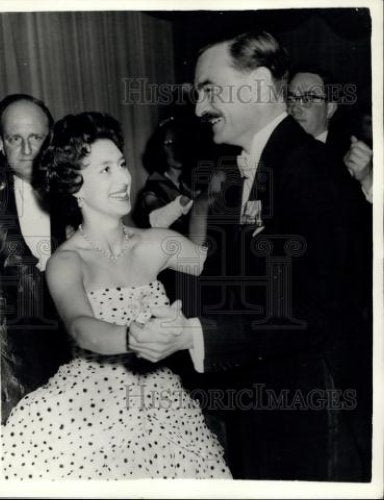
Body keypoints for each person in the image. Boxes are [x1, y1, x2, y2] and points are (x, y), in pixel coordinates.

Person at [128, 32, 372, 481]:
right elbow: (237, 286)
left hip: (317, 415)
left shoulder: (311, 171)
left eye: (209, 90)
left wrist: (195, 335)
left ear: (258, 83)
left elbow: (318, 310)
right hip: (271, 407)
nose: (200, 109)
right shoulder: (248, 173)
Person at [1, 111, 232, 480]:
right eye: (105, 169)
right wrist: (131, 335)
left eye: (122, 164)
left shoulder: (158, 243)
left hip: (161, 403)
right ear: (74, 184)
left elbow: (222, 271)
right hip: (89, 409)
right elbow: (81, 327)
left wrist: (206, 202)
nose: (124, 177)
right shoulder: (67, 260)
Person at [0, 94, 71, 423]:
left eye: (36, 138)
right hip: (13, 365)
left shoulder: (77, 192)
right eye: (15, 138)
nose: (27, 150)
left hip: (74, 353)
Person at [287, 69, 373, 202]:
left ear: (330, 109)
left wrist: (367, 179)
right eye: (291, 98)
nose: (294, 108)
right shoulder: (275, 150)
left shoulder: (352, 157)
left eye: (307, 98)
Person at [134, 116, 196, 234]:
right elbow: (157, 221)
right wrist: (187, 198)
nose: (177, 149)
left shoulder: (194, 180)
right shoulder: (152, 189)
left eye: (181, 142)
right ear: (160, 149)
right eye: (170, 144)